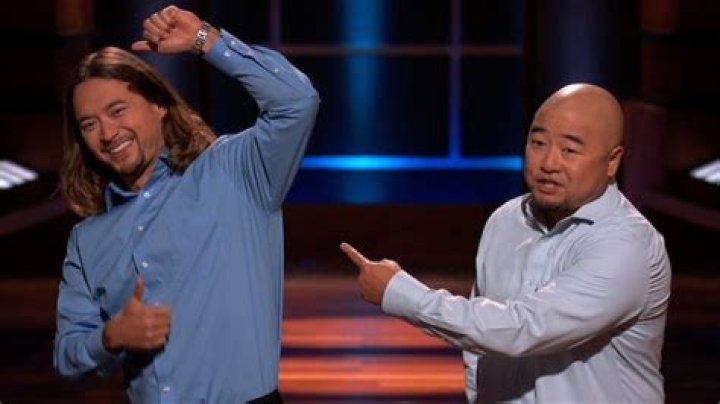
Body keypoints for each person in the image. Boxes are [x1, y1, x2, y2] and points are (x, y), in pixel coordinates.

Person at [53, 5, 319, 403]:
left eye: (117, 110)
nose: (107, 133)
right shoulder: (86, 240)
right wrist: (110, 337)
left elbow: (297, 102)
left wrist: (205, 40)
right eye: (89, 124)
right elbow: (67, 360)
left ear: (158, 104)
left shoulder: (234, 172)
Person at [341, 83, 671, 403]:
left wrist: (401, 293)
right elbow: (479, 344)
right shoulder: (506, 220)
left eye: (569, 150)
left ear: (612, 161)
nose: (549, 163)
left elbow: (523, 328)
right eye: (538, 143)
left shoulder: (627, 246)